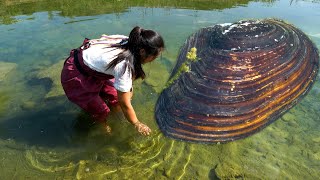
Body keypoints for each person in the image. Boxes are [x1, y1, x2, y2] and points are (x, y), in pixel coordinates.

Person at [61, 26, 165, 136]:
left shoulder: (133, 42)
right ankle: (102, 125)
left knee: (115, 96)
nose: (154, 59)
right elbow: (124, 103)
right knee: (100, 111)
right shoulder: (124, 65)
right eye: (154, 56)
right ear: (142, 51)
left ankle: (116, 114)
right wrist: (137, 123)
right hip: (76, 74)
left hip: (92, 68)